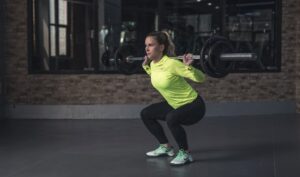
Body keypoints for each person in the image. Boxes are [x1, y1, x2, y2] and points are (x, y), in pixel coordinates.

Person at [140, 31, 206, 166]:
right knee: (146, 114)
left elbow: (201, 78)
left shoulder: (172, 64)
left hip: (194, 106)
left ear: (161, 47)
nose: (147, 48)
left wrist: (189, 67)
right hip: (175, 104)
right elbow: (158, 76)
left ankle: (185, 153)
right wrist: (146, 67)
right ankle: (166, 147)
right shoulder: (153, 64)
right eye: (146, 45)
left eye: (151, 45)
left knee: (171, 118)